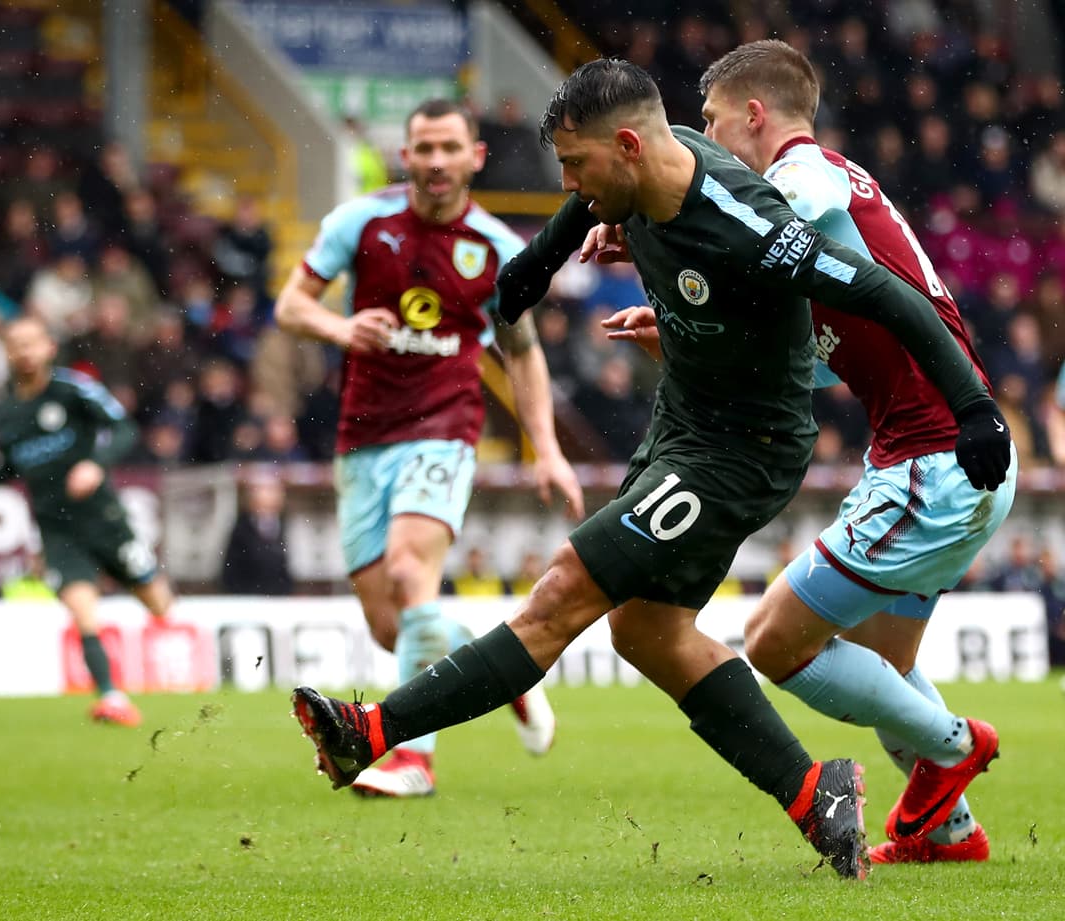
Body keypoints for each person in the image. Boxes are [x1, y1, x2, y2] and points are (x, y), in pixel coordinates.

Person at [291, 59, 1011, 880]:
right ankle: (818, 793)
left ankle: (371, 732)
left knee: (563, 588)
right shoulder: (642, 174)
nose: (567, 183)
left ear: (629, 147)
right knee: (646, 631)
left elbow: (890, 297)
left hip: (744, 450)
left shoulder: (752, 224)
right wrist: (543, 256)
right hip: (683, 426)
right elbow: (586, 200)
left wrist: (975, 408)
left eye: (577, 167)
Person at [591, 38, 1011, 866]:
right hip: (942, 457)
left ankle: (958, 744)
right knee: (884, 670)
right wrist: (677, 330)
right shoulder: (842, 211)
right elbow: (807, 361)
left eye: (710, 124)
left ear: (756, 115)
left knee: (775, 640)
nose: (702, 145)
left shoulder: (809, 177)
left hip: (932, 461)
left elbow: (777, 212)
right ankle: (948, 835)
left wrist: (660, 236)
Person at [276, 98, 584, 798]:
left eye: (450, 147)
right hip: (362, 439)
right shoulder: (360, 222)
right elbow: (291, 305)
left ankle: (412, 759)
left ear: (476, 156)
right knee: (394, 627)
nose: (436, 161)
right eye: (423, 148)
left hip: (445, 428)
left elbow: (524, 353)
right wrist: (339, 329)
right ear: (406, 156)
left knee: (413, 573)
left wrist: (546, 448)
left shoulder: (502, 250)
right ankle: (501, 671)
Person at [0, 315, 174, 727]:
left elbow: (124, 429)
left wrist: (95, 464)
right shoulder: (4, 412)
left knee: (159, 605)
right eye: (17, 344)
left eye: (32, 343)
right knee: (82, 610)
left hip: (104, 518)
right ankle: (112, 697)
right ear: (7, 352)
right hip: (57, 528)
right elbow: (3, 469)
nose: (25, 351)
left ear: (48, 347)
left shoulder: (72, 389)